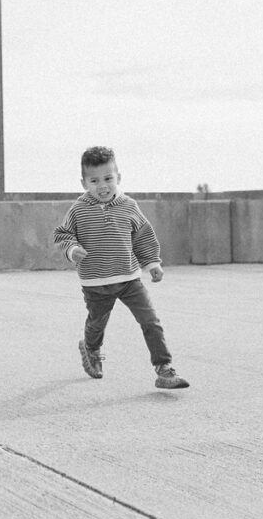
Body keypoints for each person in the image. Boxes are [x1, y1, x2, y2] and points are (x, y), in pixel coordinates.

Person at [53, 146, 190, 390]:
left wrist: (152, 263)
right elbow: (63, 234)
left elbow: (143, 236)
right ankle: (91, 348)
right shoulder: (78, 209)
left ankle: (164, 369)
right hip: (95, 282)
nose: (102, 186)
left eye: (108, 178)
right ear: (83, 183)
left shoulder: (128, 205)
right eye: (94, 181)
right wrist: (72, 250)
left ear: (119, 178)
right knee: (97, 323)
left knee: (151, 320)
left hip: (129, 279)